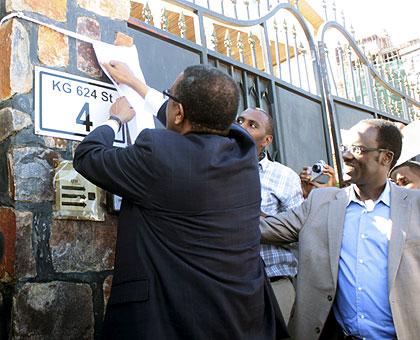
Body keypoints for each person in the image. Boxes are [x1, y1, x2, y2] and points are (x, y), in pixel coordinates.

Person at [74, 64, 288, 339]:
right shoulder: (244, 153)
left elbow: (88, 156)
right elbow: (191, 118)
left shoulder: (158, 154)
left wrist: (115, 120)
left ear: (180, 112)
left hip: (175, 324)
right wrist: (136, 83)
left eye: (171, 97)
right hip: (242, 322)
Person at [260, 118, 420, 340]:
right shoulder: (320, 202)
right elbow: (263, 229)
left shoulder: (415, 205)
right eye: (346, 148)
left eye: (357, 149)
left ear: (386, 157)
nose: (345, 155)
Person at [236, 108, 303, 323]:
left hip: (273, 283)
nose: (242, 126)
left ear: (266, 140)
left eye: (252, 125)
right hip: (226, 283)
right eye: (240, 120)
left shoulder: (284, 177)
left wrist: (243, 218)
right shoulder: (212, 166)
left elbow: (296, 231)